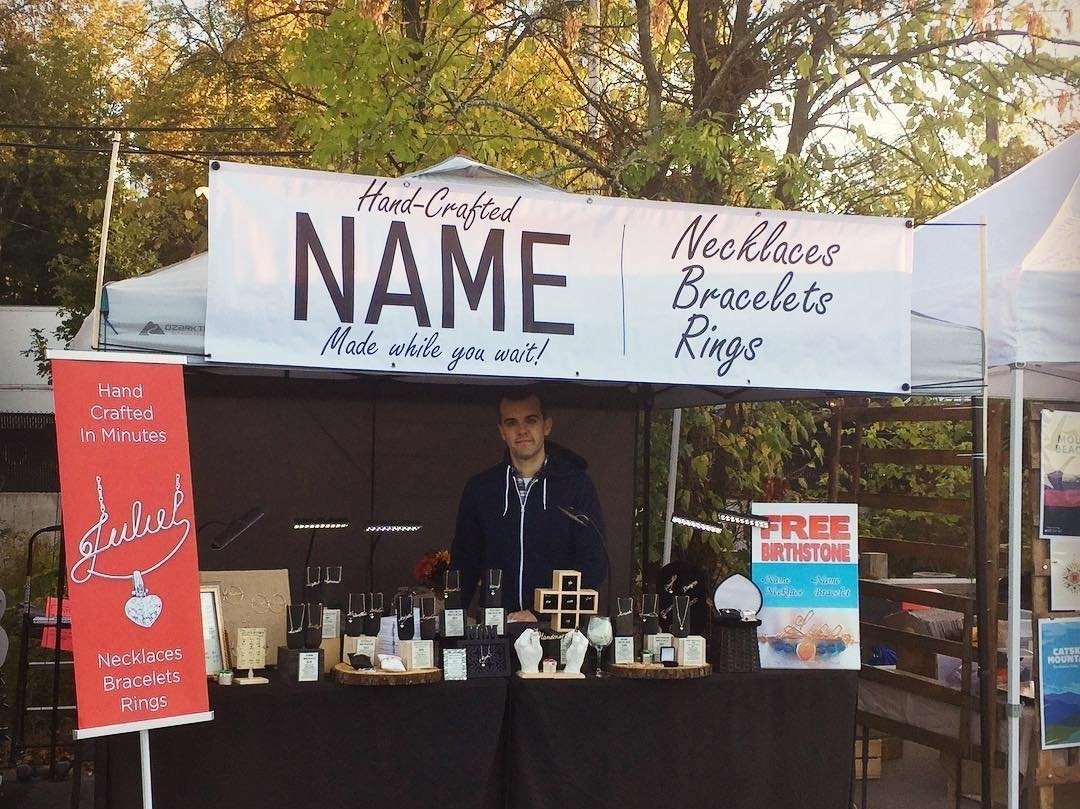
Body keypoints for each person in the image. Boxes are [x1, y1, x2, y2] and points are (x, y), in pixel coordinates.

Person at [450, 389, 607, 622]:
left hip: (557, 630)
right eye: (511, 423)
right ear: (502, 431)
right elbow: (464, 562)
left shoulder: (576, 486)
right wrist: (454, 618)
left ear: (547, 426)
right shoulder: (481, 489)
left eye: (530, 420)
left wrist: (540, 613)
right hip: (498, 630)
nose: (522, 430)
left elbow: (593, 565)